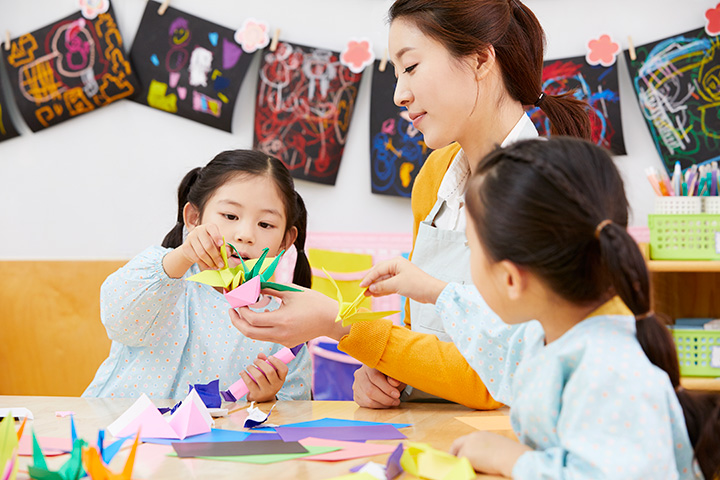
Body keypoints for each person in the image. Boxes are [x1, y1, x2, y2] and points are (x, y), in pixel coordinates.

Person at [230, 0, 591, 409]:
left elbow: (494, 377)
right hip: (435, 435)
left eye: (412, 67)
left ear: (479, 59)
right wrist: (384, 375)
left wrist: (342, 326)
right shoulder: (435, 176)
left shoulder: (543, 189)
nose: (400, 94)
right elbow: (417, 328)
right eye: (397, 72)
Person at [361, 137, 720, 478]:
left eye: (470, 247)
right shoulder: (555, 336)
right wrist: (434, 290)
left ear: (511, 280)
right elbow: (496, 338)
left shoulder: (610, 371)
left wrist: (511, 458)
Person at [84, 150, 312, 402]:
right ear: (194, 218)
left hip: (214, 441)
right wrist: (182, 256)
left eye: (265, 224)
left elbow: (296, 405)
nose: (245, 234)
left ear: (285, 241)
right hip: (119, 430)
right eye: (230, 216)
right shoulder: (162, 274)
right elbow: (118, 319)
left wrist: (269, 397)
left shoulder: (284, 323)